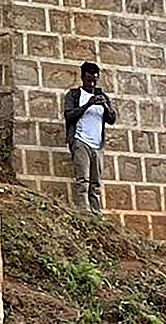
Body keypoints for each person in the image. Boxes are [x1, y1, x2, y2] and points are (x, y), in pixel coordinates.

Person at [61, 62, 117, 214]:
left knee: (96, 182)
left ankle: (96, 211)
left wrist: (105, 106)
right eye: (88, 79)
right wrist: (87, 104)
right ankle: (83, 209)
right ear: (82, 78)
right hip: (80, 141)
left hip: (97, 145)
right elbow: (69, 115)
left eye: (94, 80)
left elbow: (112, 119)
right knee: (83, 179)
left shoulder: (102, 96)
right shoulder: (74, 95)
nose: (91, 83)